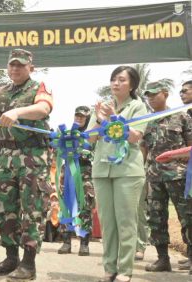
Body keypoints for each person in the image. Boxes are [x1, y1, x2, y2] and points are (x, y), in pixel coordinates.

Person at [0, 48, 53, 280]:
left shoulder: (38, 87)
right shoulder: (1, 90)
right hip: (7, 157)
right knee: (5, 208)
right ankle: (11, 257)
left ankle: (28, 264)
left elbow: (44, 108)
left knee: (32, 209)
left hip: (32, 157)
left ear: (31, 67)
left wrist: (18, 111)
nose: (15, 69)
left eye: (20, 65)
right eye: (12, 65)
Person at [87, 66, 148, 282]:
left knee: (126, 221)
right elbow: (91, 139)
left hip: (128, 171)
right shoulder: (102, 107)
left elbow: (133, 137)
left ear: (132, 85)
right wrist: (98, 118)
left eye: (121, 80)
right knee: (107, 222)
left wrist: (113, 119)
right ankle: (109, 267)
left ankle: (124, 270)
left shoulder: (138, 107)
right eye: (113, 79)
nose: (116, 83)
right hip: (102, 171)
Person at [141, 80, 192, 275]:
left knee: (187, 217)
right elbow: (144, 148)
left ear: (165, 93)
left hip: (178, 176)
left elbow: (190, 146)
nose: (151, 98)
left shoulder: (182, 116)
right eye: (149, 95)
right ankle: (163, 259)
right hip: (154, 177)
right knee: (155, 218)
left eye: (155, 94)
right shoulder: (149, 121)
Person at [58, 105, 95, 256]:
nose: (79, 118)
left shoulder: (91, 134)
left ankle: (84, 243)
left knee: (85, 205)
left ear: (88, 119)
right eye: (77, 115)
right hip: (67, 173)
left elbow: (92, 152)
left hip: (85, 172)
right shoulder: (67, 134)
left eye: (83, 116)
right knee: (66, 204)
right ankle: (66, 242)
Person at [179, 79, 192, 272]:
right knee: (188, 214)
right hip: (187, 170)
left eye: (186, 91)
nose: (182, 94)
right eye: (180, 91)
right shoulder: (184, 115)